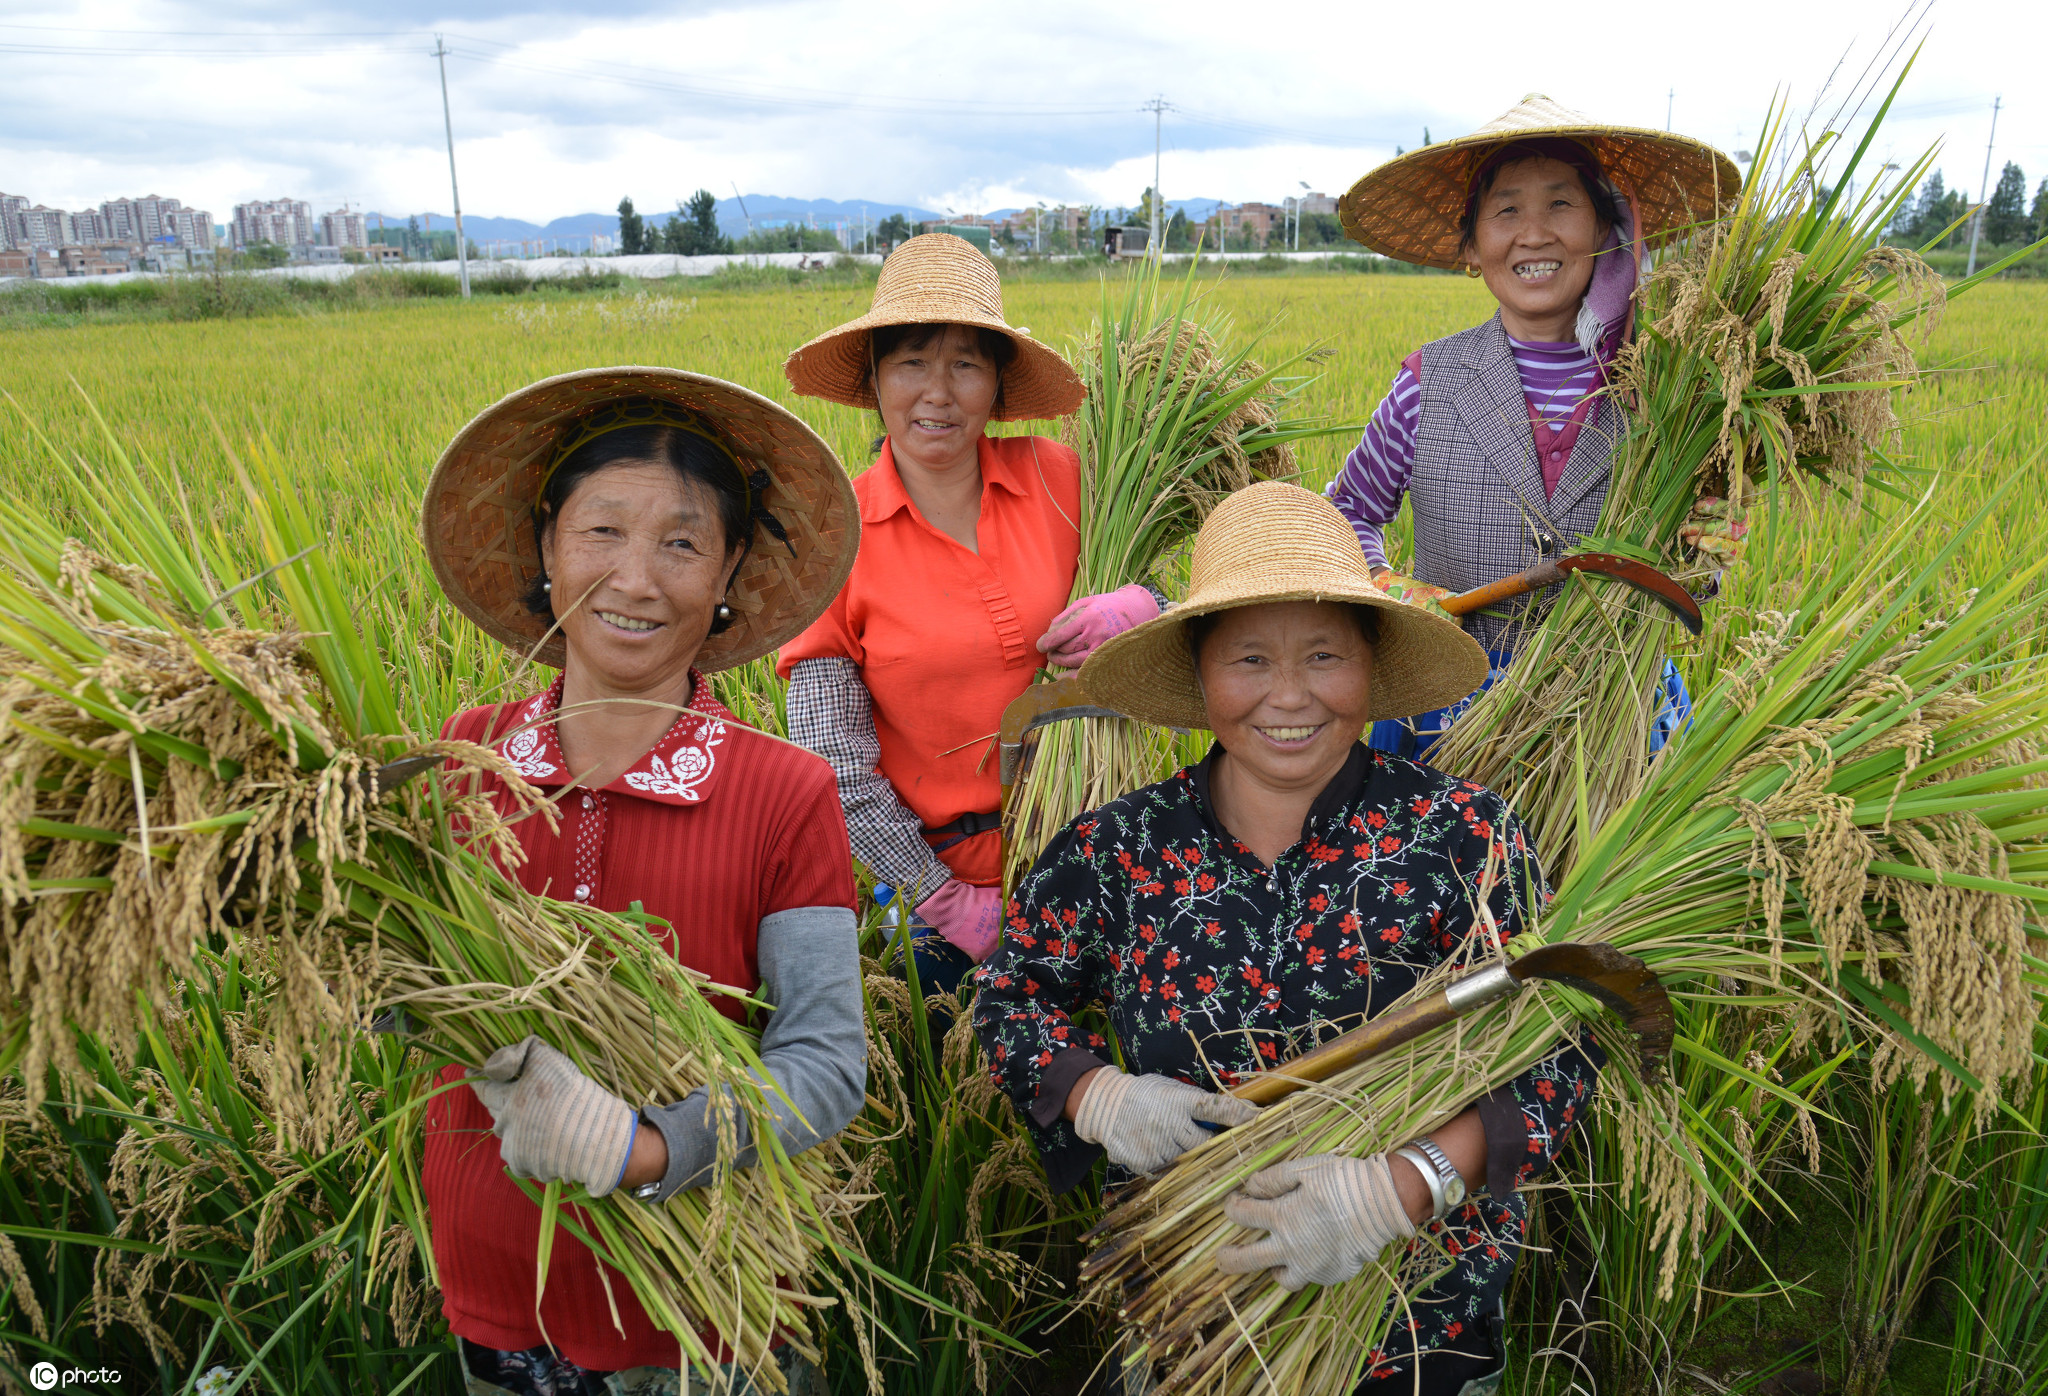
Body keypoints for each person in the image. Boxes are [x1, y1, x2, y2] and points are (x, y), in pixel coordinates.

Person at [972, 482, 1603, 1395]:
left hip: (1413, 1306)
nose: (1291, 696)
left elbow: (1563, 1044)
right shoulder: (1120, 850)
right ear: (1199, 674)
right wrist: (1098, 1098)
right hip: (1192, 1298)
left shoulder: (1464, 837)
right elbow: (1011, 996)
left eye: (1324, 655)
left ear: (1373, 665)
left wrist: (1403, 1185)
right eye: (1250, 660)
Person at [416, 367, 866, 1396]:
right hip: (496, 1290)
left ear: (727, 571)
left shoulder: (783, 790)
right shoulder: (457, 763)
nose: (634, 578)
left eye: (680, 542)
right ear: (545, 545)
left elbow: (827, 1061)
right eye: (601, 532)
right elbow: (398, 998)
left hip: (709, 1305)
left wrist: (648, 1146)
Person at [778, 232, 1162, 999]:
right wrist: (941, 898)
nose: (938, 392)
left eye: (966, 363)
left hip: (1102, 845)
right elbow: (833, 764)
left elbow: (1196, 632)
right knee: (958, 1050)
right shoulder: (830, 539)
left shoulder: (1067, 481)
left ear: (996, 383)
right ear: (876, 377)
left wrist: (1145, 608)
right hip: (939, 882)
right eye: (913, 361)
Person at [1326, 94, 1744, 759]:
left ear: (1609, 229)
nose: (1534, 233)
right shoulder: (1428, 383)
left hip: (1618, 705)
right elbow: (1345, 512)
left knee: (1615, 865)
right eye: (1506, 210)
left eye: (1561, 204)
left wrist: (1704, 553)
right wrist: (1393, 594)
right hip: (1449, 713)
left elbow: (1714, 532)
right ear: (1473, 244)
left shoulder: (1672, 386)